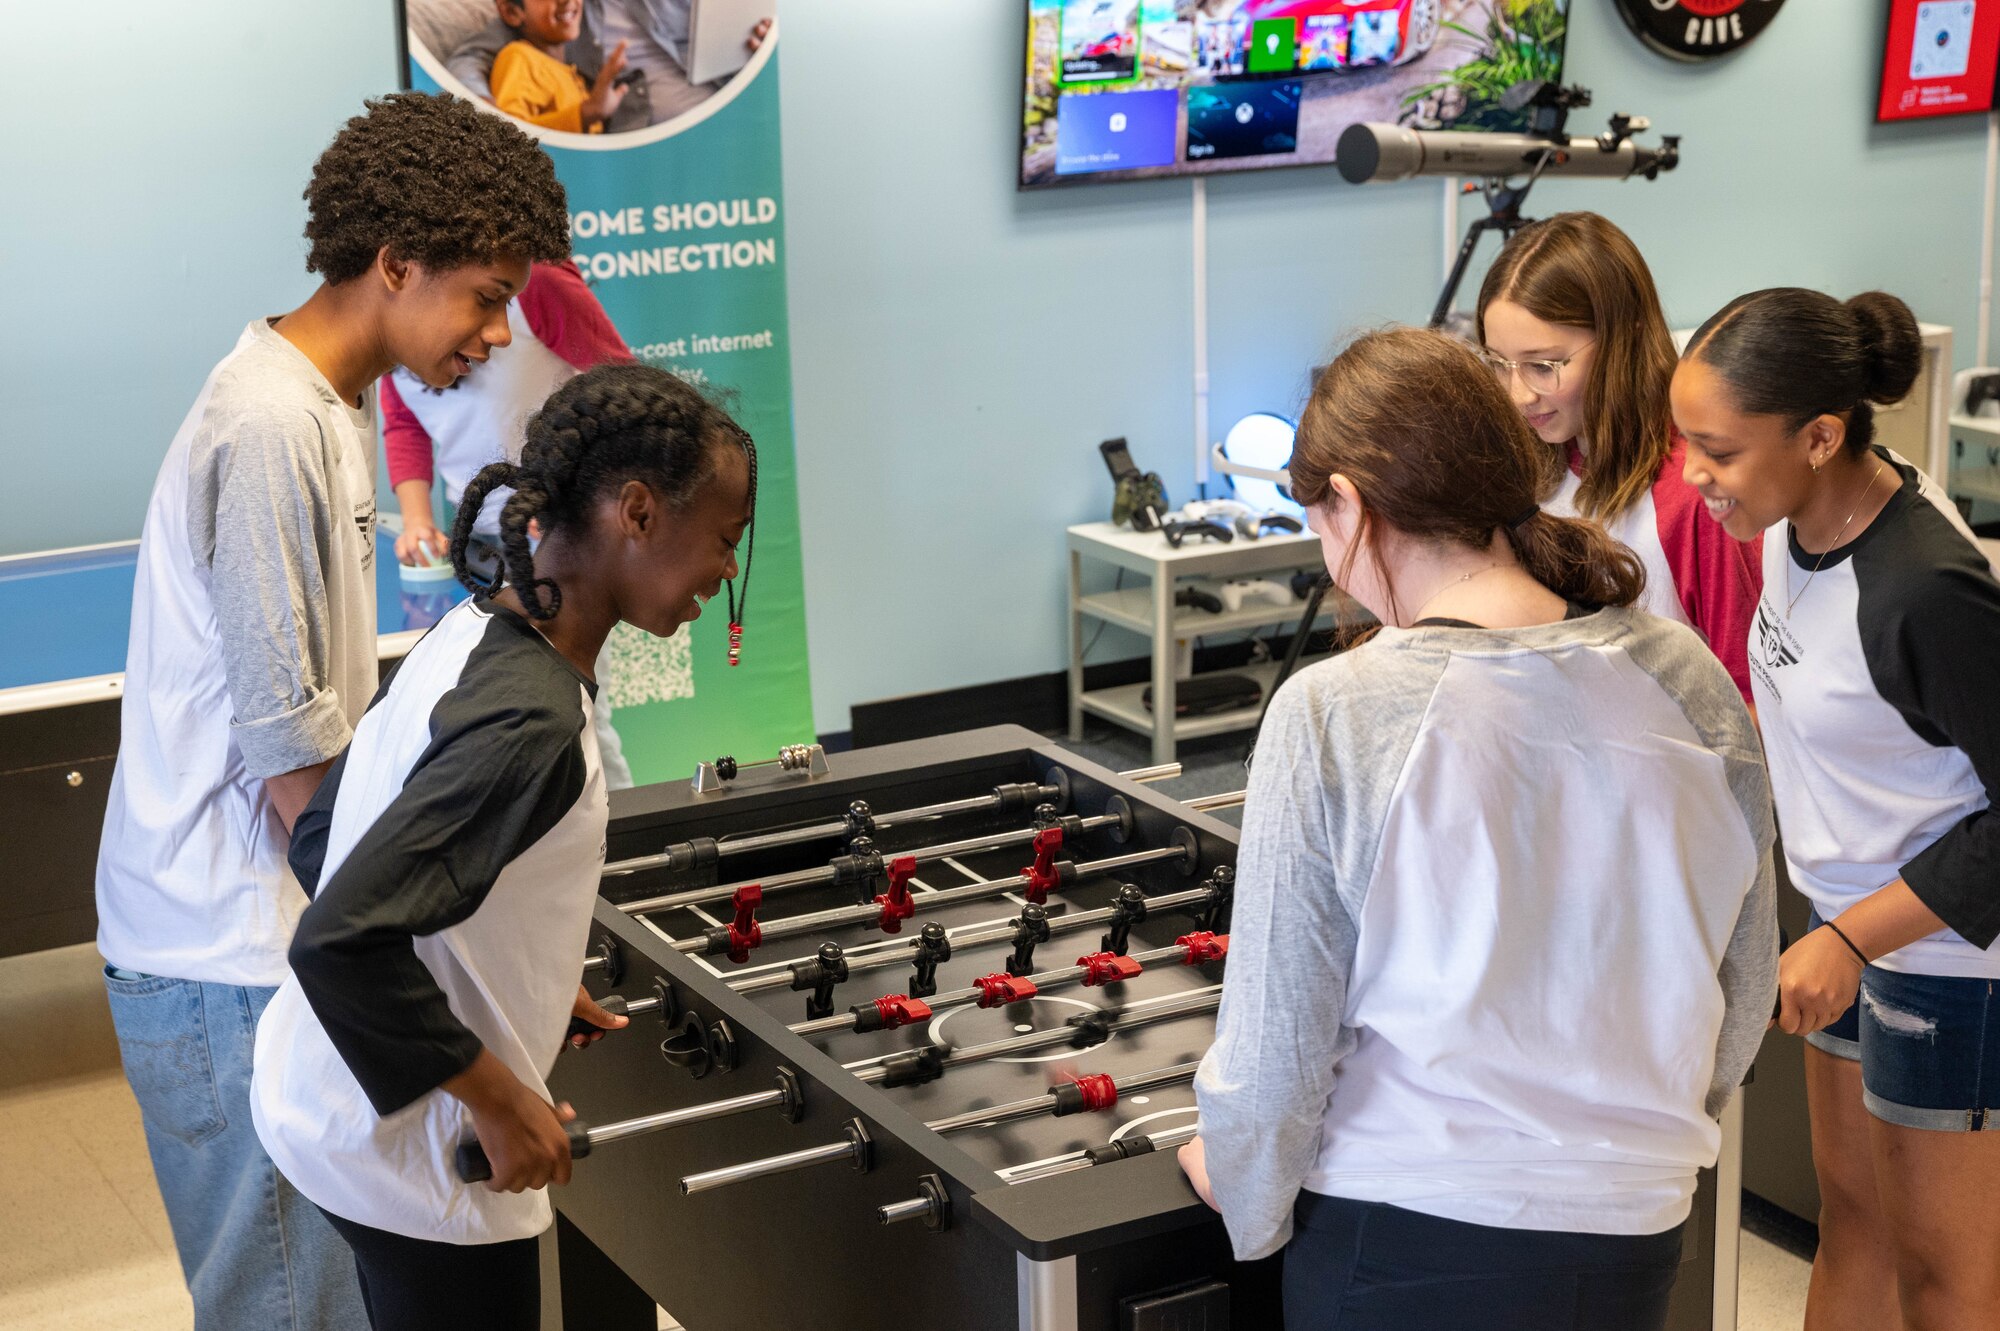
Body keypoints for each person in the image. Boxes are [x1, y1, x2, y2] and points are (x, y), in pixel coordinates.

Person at [1179, 327, 1777, 1330]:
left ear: (1354, 506)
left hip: (1399, 1242)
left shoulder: (1333, 709)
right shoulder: (1687, 677)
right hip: (1633, 1237)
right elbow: (1743, 984)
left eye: (1319, 524)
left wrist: (1237, 1174)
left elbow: (1280, 1042)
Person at [93, 92, 571, 1331]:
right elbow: (293, 753)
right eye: (482, 294)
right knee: (289, 1316)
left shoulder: (322, 404)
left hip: (266, 937)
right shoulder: (270, 427)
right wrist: (429, 962)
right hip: (227, 950)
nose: (498, 330)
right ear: (395, 263)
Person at [250, 364, 757, 1331]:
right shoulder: (533, 721)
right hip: (405, 1154)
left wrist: (504, 966)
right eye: (724, 541)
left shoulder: (474, 629)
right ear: (637, 512)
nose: (725, 572)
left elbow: (329, 835)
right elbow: (340, 937)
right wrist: (496, 1099)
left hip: (315, 1092)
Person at [1674, 288, 2000, 1330]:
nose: (1693, 476)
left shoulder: (1923, 587)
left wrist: (1852, 938)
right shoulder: (1787, 525)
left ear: (1819, 436)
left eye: (1716, 451)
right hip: (1847, 925)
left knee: (1943, 1276)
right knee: (1850, 1217)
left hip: (1946, 965)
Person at [1477, 211, 1762, 703]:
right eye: (1500, 364)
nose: (1519, 395)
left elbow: (1752, 706)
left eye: (1543, 366)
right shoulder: (1532, 470)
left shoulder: (1693, 497)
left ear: (1622, 338)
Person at [383, 258, 637, 788]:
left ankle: (622, 849)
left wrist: (574, 493)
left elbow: (624, 388)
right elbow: (404, 424)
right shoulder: (397, 318)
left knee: (579, 715)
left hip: (557, 539)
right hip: (475, 543)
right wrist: (416, 520)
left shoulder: (535, 283)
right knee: (493, 709)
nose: (493, 333)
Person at [489, 0, 630, 132]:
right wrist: (588, 112)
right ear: (511, 12)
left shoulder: (569, 71)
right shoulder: (519, 57)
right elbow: (509, 136)